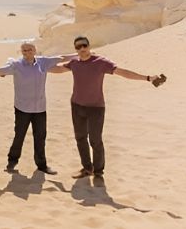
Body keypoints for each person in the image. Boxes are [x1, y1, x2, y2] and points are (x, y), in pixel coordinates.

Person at [51, 36, 165, 178]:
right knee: (80, 138)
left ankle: (98, 171)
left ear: (89, 46)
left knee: (95, 140)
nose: (82, 49)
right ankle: (87, 168)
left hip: (96, 108)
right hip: (76, 105)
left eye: (84, 46)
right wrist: (37, 65)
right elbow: (58, 70)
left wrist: (147, 78)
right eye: (78, 47)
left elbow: (123, 72)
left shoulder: (100, 62)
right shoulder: (74, 62)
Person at [0, 42, 76, 175]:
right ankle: (12, 161)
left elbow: (62, 58)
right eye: (24, 50)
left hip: (40, 108)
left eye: (30, 50)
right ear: (21, 52)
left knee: (40, 137)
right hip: (22, 108)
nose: (27, 52)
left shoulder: (43, 62)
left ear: (35, 50)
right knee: (19, 135)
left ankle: (42, 165)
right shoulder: (16, 65)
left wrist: (79, 55)